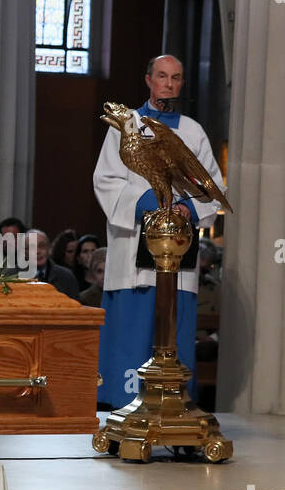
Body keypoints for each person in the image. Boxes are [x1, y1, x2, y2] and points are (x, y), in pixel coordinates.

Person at [93, 54, 226, 409]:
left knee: (174, 338)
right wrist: (151, 200)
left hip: (178, 257)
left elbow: (211, 187)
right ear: (148, 79)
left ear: (181, 84)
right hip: (132, 259)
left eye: (176, 78)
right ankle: (122, 410)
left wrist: (188, 207)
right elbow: (106, 179)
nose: (168, 83)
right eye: (162, 76)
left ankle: (175, 409)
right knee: (131, 339)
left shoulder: (193, 131)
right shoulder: (125, 124)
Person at [25, 229, 80, 300]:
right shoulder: (11, 276)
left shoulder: (66, 277)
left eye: (42, 246)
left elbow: (76, 308)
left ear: (49, 248)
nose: (37, 251)